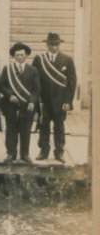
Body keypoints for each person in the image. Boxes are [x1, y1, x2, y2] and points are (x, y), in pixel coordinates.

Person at [35, 32, 77, 164]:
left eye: (56, 44)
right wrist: (36, 100)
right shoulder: (39, 59)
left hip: (60, 101)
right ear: (47, 45)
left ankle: (59, 152)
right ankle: (43, 151)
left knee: (59, 127)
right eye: (51, 44)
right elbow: (34, 80)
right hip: (44, 101)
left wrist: (68, 102)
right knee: (43, 126)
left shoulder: (67, 59)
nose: (54, 47)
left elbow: (71, 82)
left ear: (60, 45)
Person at [0, 42, 39, 163]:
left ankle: (25, 154)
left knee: (25, 130)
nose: (19, 57)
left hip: (27, 106)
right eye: (17, 55)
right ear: (13, 56)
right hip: (11, 105)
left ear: (26, 55)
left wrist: (32, 102)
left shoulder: (33, 70)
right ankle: (10, 153)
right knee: (11, 130)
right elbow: (1, 85)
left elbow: (37, 89)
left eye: (22, 55)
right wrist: (10, 95)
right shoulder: (7, 69)